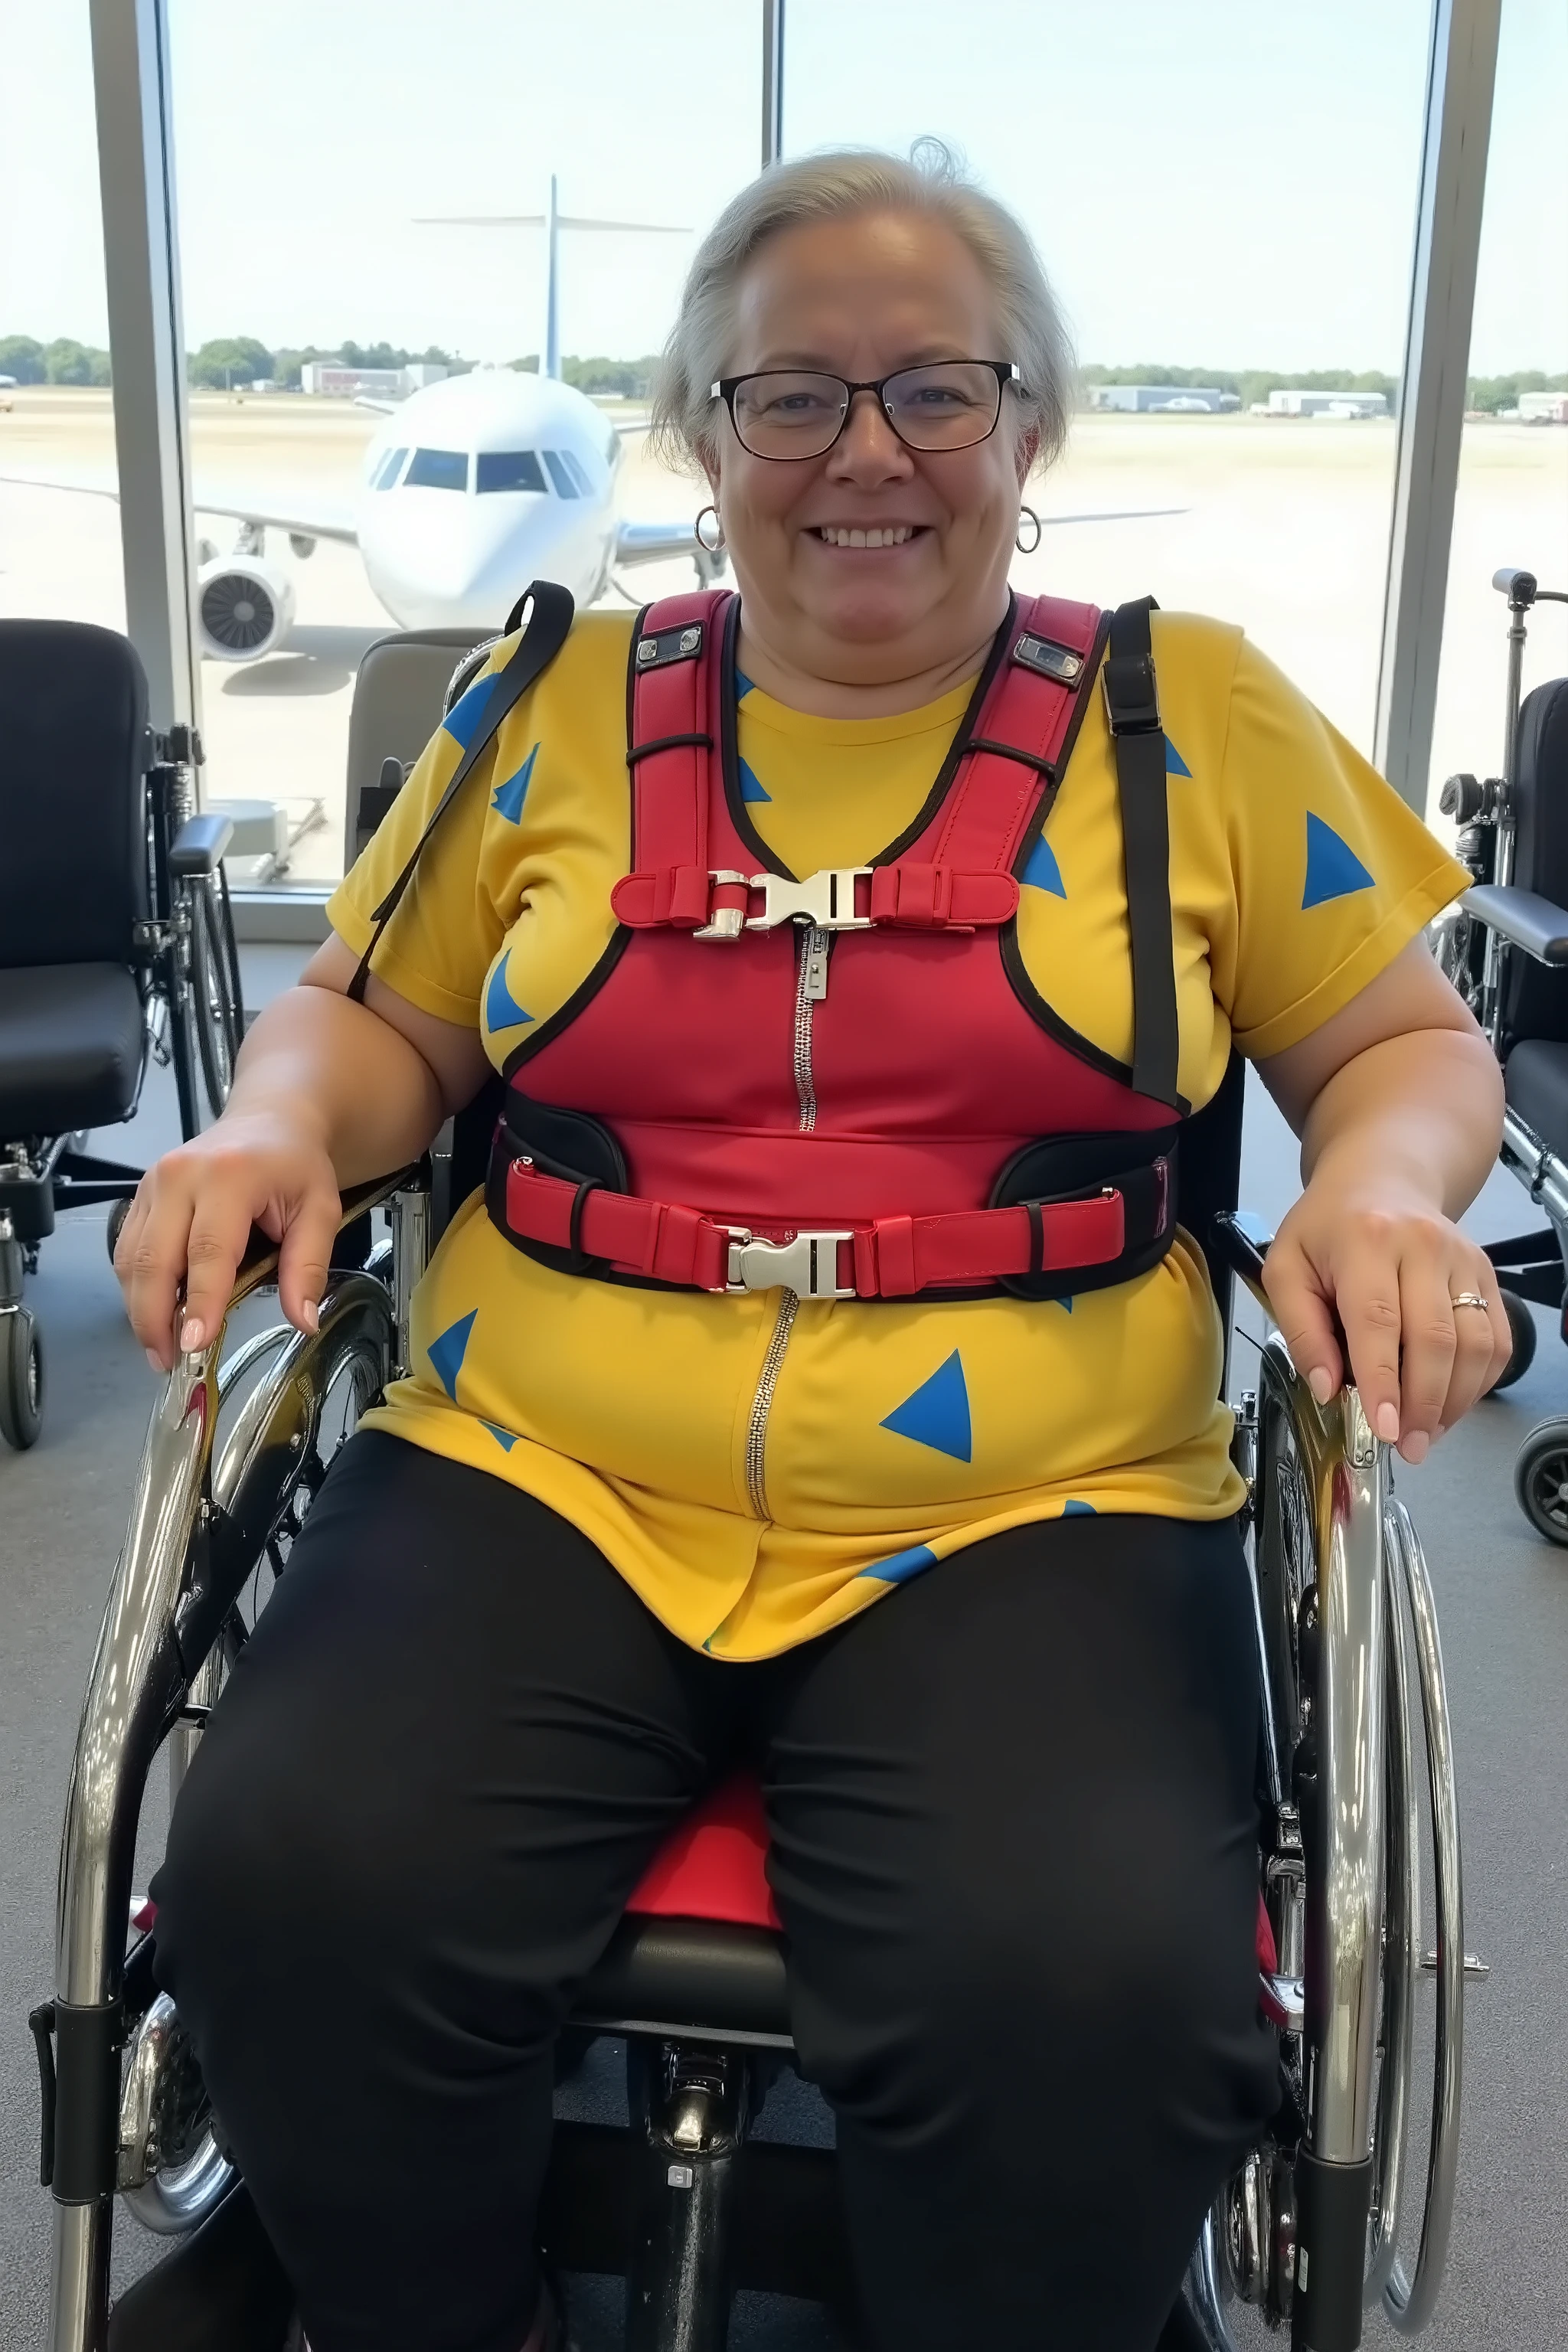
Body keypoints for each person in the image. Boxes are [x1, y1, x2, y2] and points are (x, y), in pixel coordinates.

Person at [119, 144, 1506, 2352]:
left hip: (1037, 1490)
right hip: (543, 1455)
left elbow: (1407, 1047)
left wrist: (1381, 1185)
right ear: (705, 437)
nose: (869, 453)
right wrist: (273, 1126)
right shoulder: (544, 709)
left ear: (1030, 432)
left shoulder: (1199, 719)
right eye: (794, 398)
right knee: (296, 1890)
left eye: (938, 392)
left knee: (1084, 1987)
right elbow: (365, 1017)